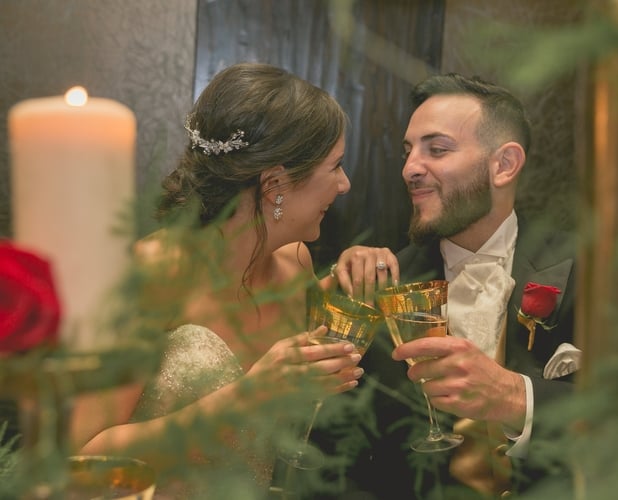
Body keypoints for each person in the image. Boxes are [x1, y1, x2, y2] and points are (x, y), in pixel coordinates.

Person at [69, 62, 398, 497]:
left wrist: (354, 265)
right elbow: (84, 458)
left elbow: (316, 338)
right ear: (275, 183)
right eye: (335, 166)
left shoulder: (296, 266)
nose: (345, 184)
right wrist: (248, 398)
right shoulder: (154, 273)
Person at [338, 73, 578, 498]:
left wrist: (517, 397)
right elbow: (344, 460)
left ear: (504, 165)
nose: (410, 168)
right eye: (409, 151)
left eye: (438, 149)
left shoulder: (584, 271)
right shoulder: (378, 288)